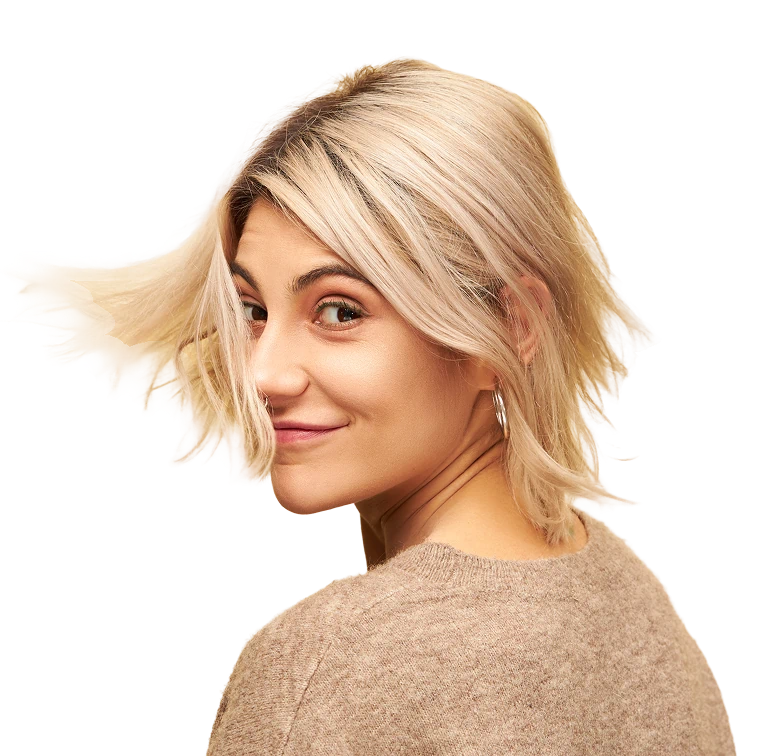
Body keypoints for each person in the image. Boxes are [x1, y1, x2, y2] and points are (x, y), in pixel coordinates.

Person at [4, 55, 736, 754]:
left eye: (340, 311)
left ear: (511, 328)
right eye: (253, 309)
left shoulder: (336, 661)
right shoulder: (627, 595)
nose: (262, 373)